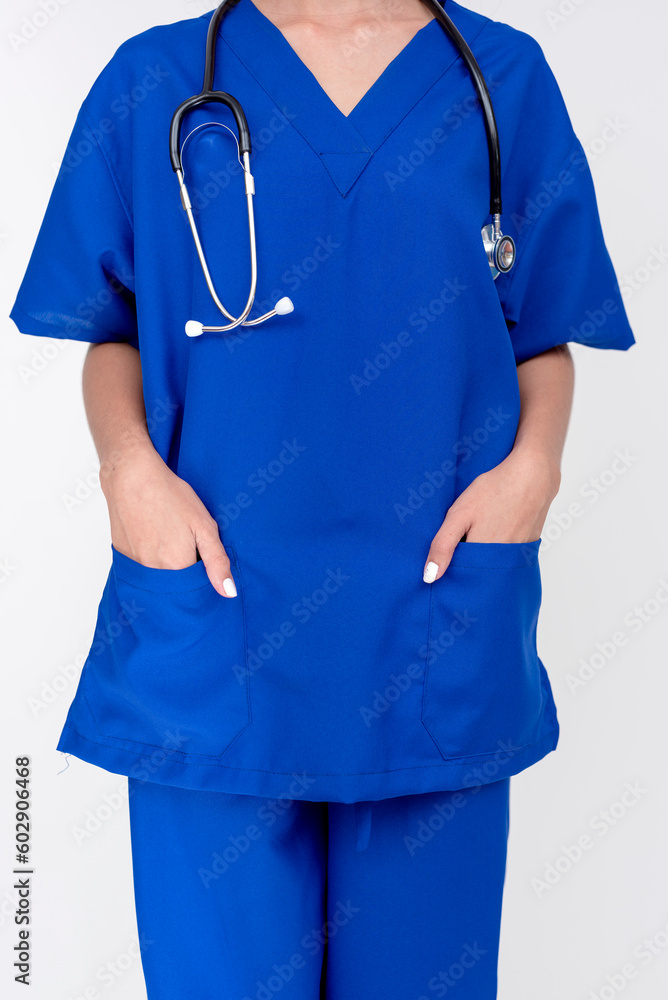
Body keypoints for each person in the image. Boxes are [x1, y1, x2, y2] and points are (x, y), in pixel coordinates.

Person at [10, 0, 635, 996]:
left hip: (432, 619)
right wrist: (127, 469)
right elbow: (110, 324)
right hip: (214, 626)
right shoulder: (155, 77)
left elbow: (543, 328)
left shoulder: (499, 79)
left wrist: (534, 472)